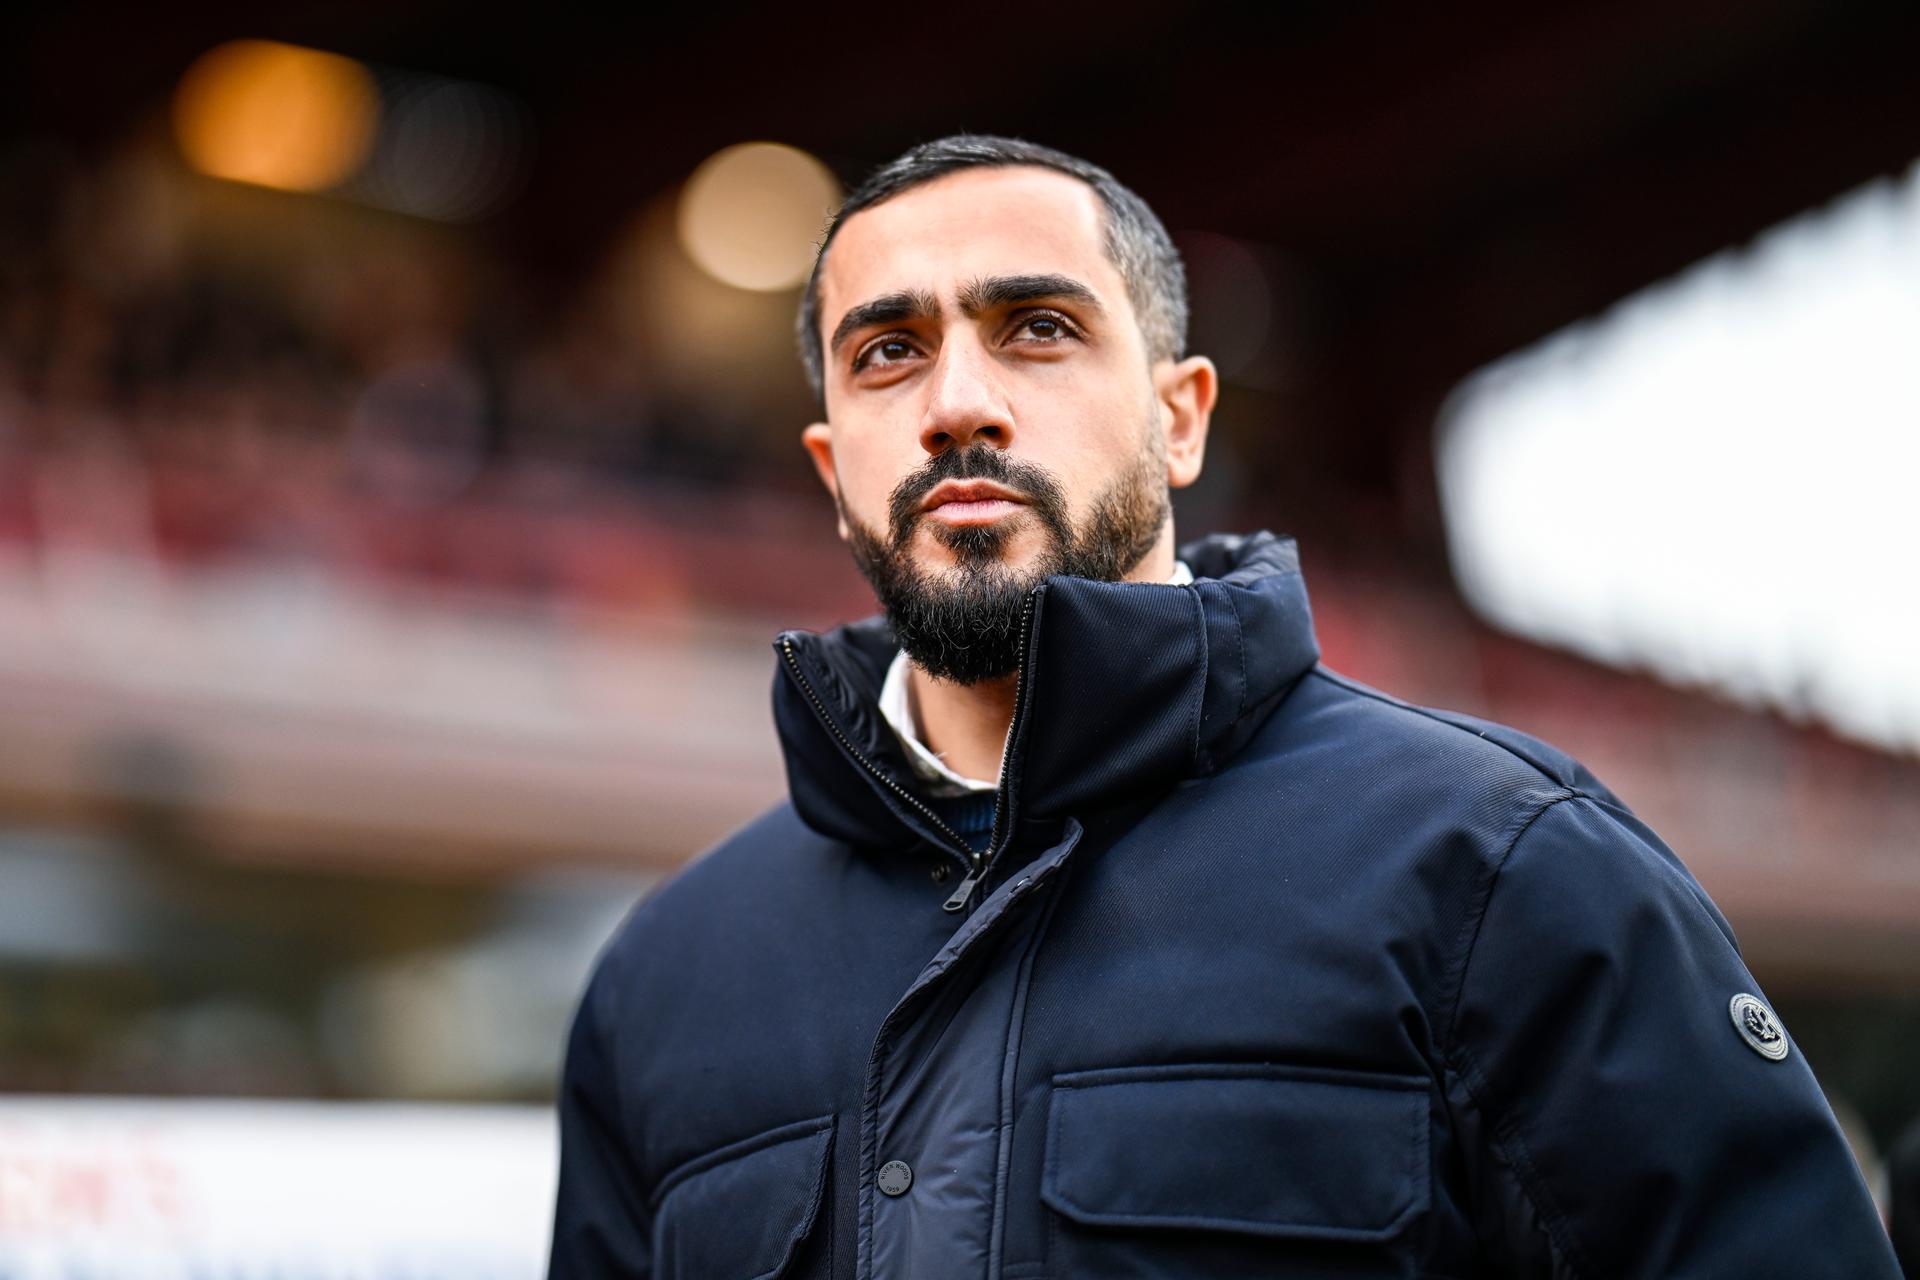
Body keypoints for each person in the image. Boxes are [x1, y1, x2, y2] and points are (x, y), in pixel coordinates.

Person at [547, 135, 1899, 1279]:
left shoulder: (1501, 868)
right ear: (836, 467)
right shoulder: (663, 980)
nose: (960, 403)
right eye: (889, 352)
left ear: (1180, 419)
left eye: (1040, 329)